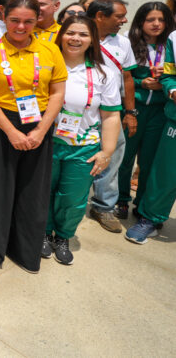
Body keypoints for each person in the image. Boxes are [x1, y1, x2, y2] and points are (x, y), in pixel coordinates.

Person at [0, 0, 67, 274]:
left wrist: (40, 130)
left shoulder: (50, 51)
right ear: (3, 17)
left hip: (39, 125)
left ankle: (24, 248)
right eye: (14, 20)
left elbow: (58, 92)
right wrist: (12, 132)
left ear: (38, 20)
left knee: (31, 192)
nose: (21, 27)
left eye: (28, 21)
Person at [44, 15, 121, 265]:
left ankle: (63, 236)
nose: (76, 39)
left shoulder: (105, 74)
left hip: (82, 148)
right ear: (61, 35)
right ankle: (42, 233)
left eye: (83, 34)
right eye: (70, 33)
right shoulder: (45, 65)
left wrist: (106, 151)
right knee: (42, 193)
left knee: (72, 199)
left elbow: (110, 116)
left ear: (92, 40)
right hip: (46, 144)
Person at [117, 2, 174, 217]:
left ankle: (142, 203)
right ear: (141, 21)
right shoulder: (127, 43)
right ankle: (121, 199)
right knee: (125, 158)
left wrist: (164, 82)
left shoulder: (170, 46)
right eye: (151, 19)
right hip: (134, 108)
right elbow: (122, 79)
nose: (157, 24)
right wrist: (143, 83)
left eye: (161, 20)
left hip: (160, 111)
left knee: (148, 161)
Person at [86, 0, 136, 231]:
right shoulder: (79, 36)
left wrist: (130, 112)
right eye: (119, 16)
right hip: (80, 110)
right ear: (100, 16)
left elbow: (127, 78)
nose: (124, 20)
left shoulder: (123, 43)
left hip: (111, 111)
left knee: (112, 155)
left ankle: (103, 207)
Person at [126, 25, 176, 243]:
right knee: (165, 173)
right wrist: (172, 90)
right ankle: (150, 218)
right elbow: (170, 74)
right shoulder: (175, 38)